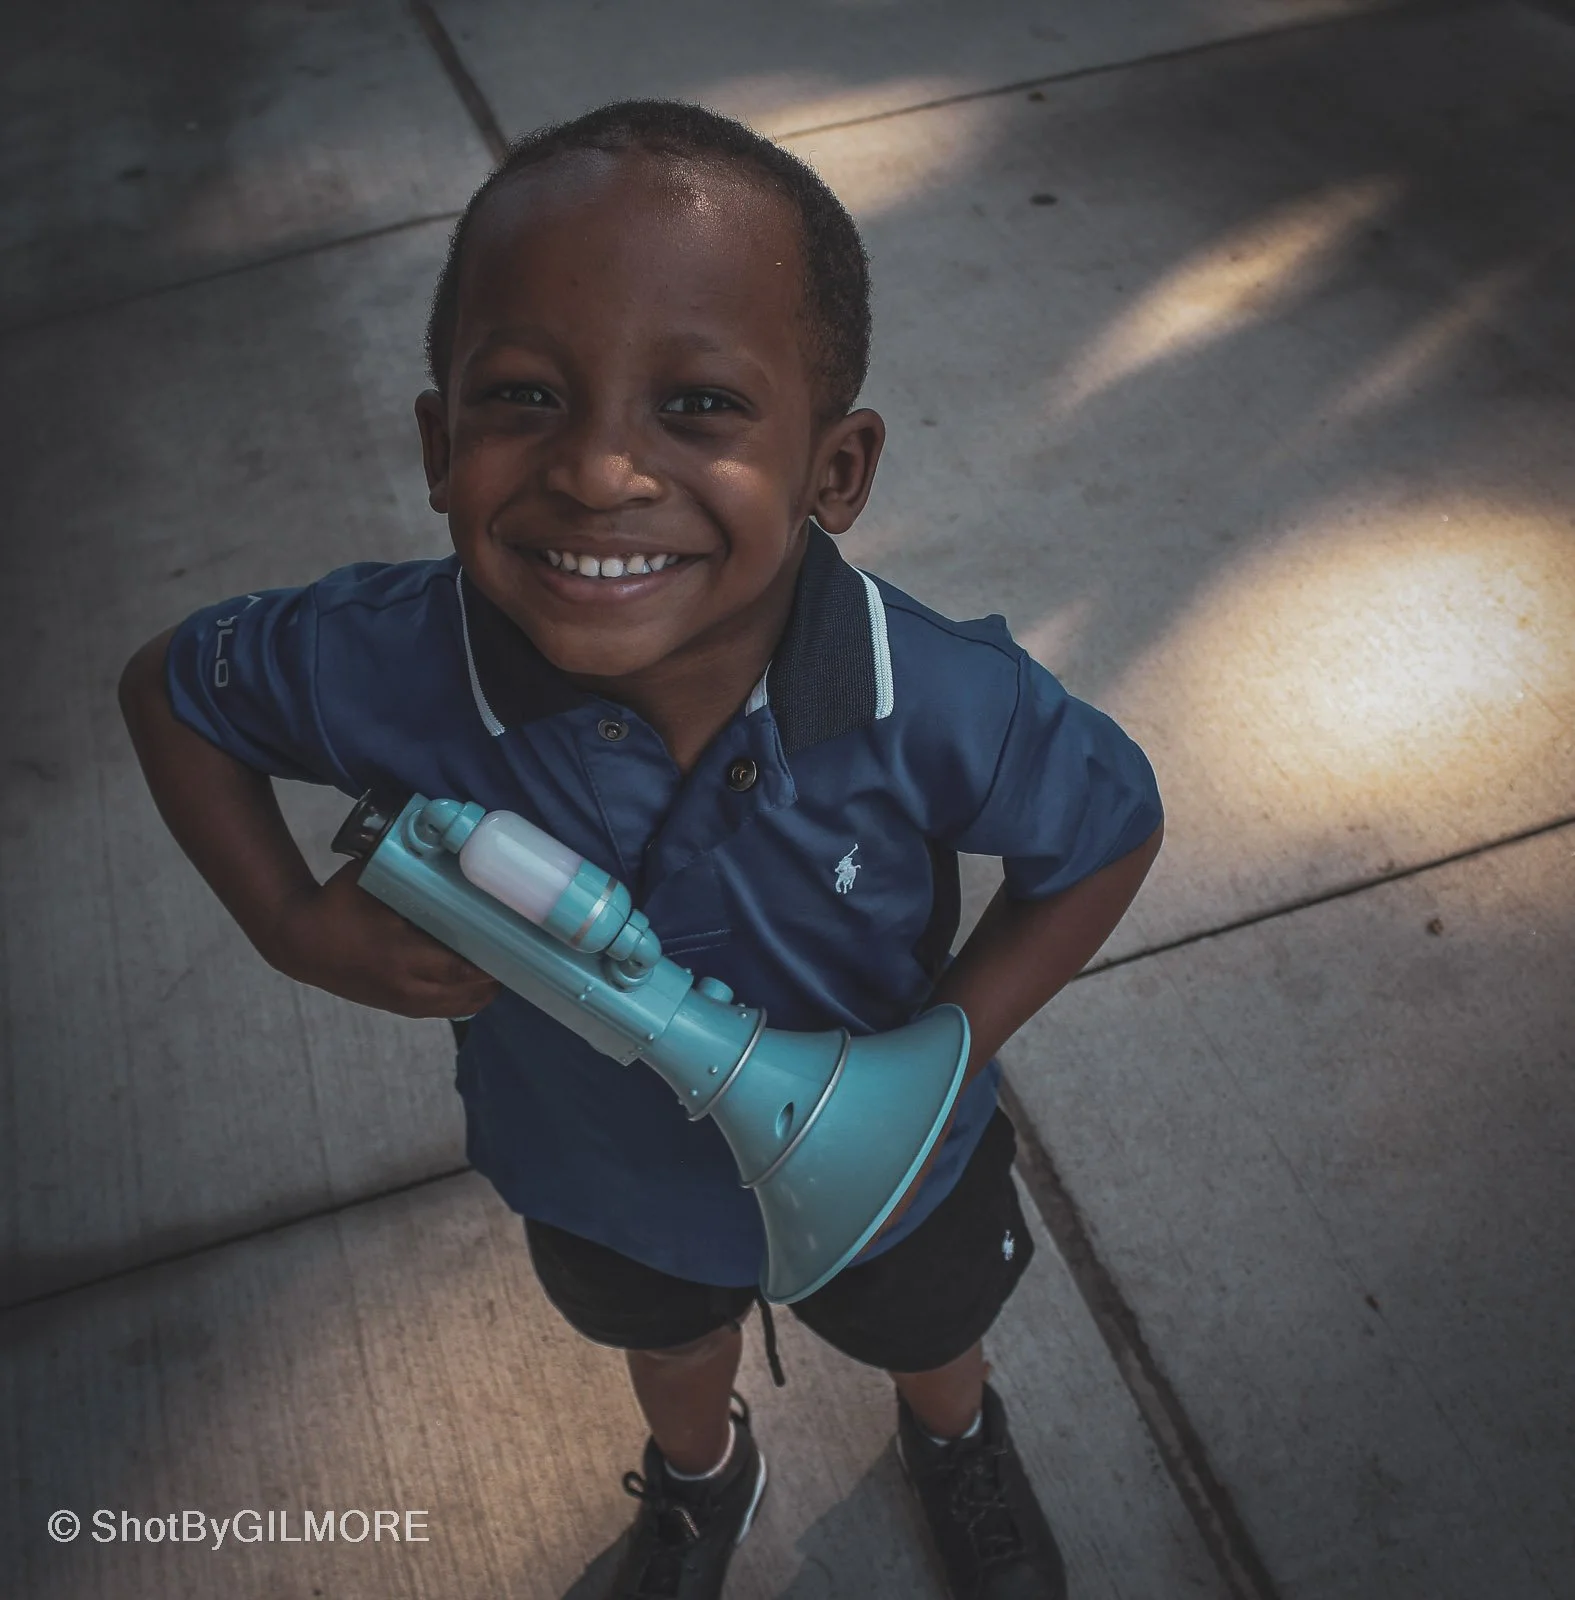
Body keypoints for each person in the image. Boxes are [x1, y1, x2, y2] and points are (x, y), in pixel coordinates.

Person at [119, 100, 1163, 1600]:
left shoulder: (933, 699)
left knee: (931, 1332)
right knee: (663, 1343)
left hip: (901, 1181)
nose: (601, 471)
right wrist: (291, 923)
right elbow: (174, 691)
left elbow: (1109, 828)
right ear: (439, 443)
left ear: (836, 469)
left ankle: (956, 1438)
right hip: (597, 1172)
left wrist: (930, 1062)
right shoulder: (385, 662)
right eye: (524, 396)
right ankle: (699, 1475)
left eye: (701, 406)